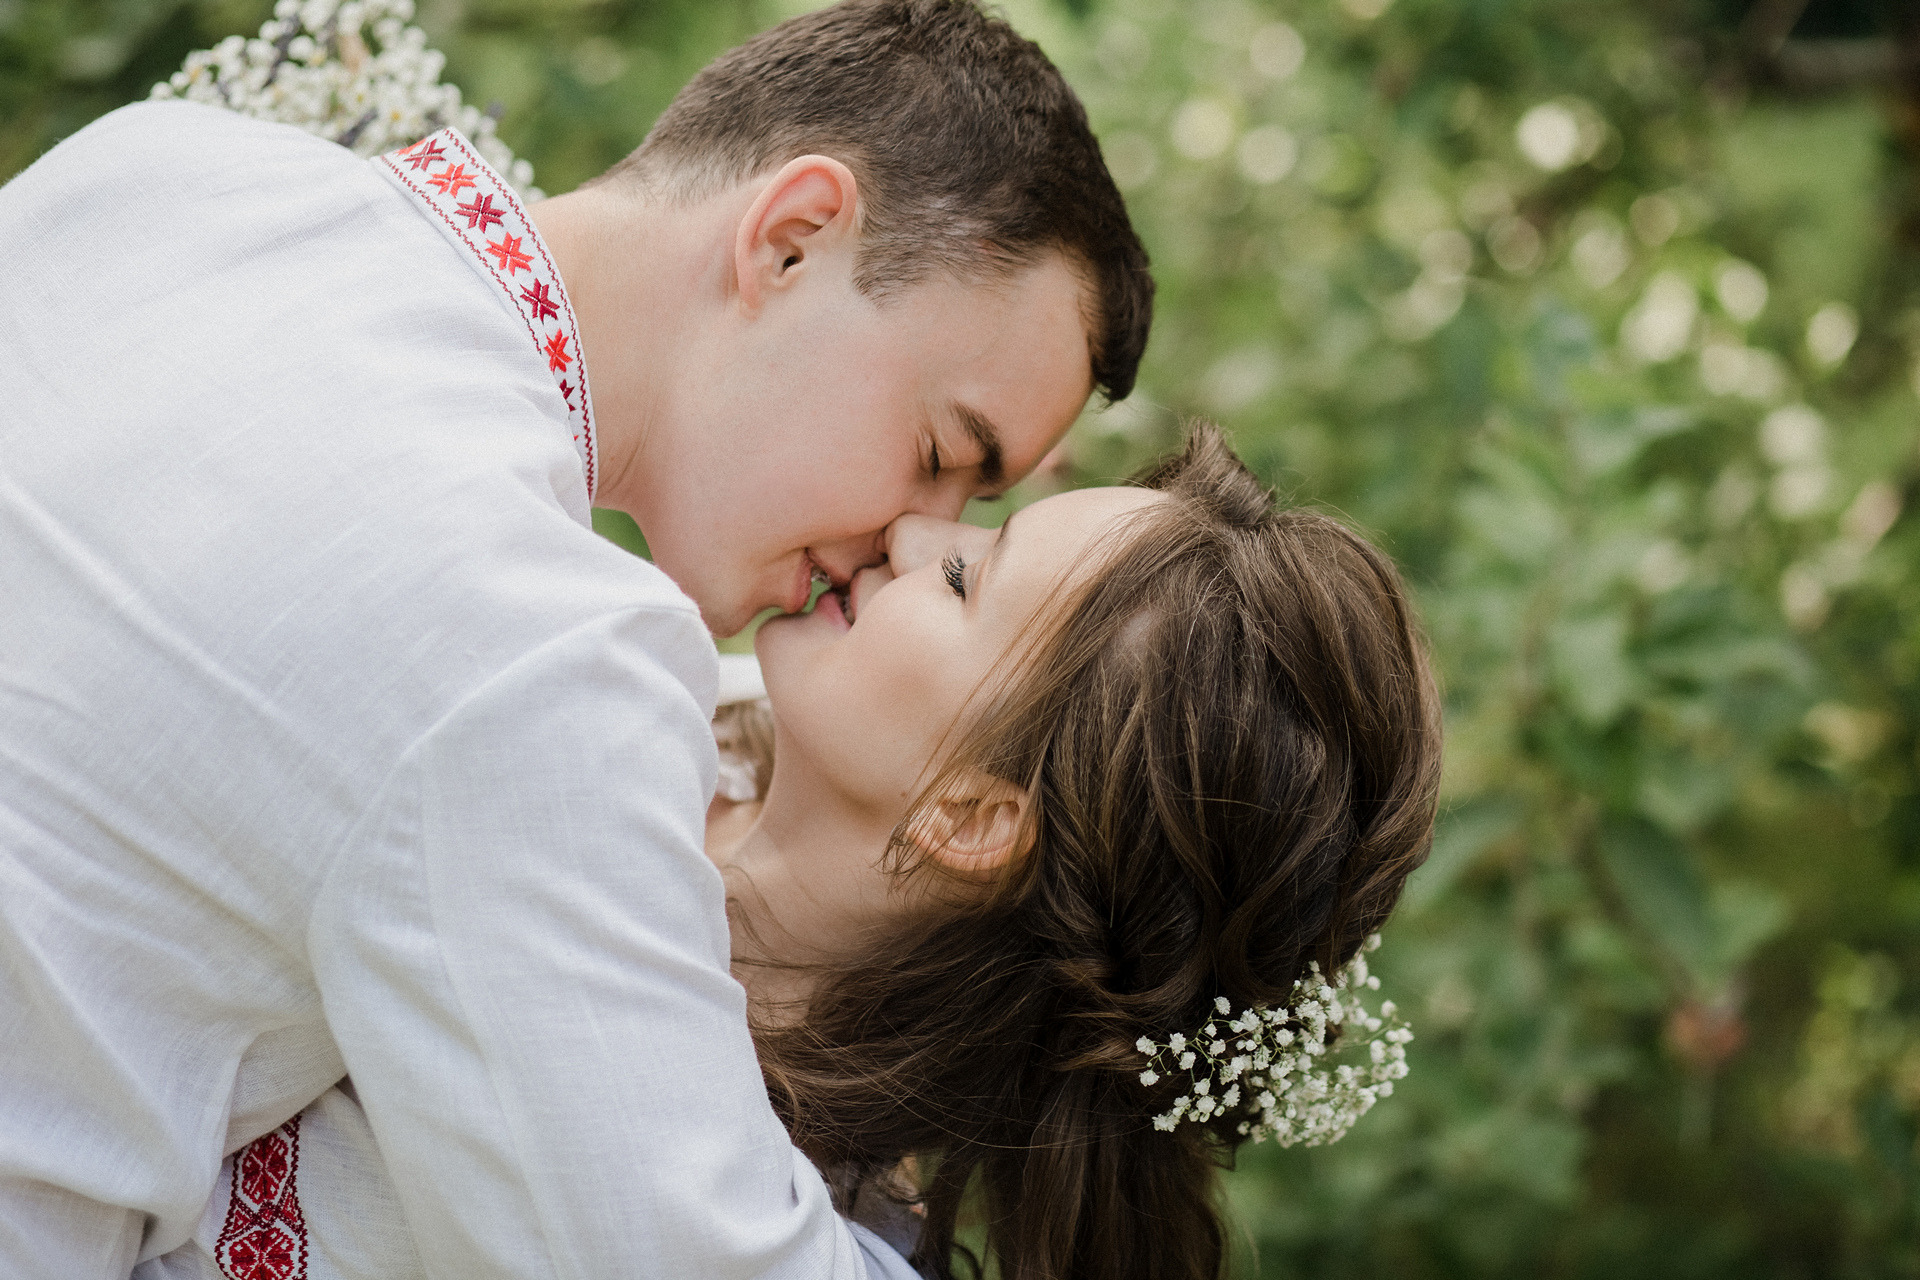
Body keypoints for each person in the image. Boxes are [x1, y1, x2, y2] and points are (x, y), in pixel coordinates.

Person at [0, 2, 1150, 1276]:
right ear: (794, 238)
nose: (904, 536)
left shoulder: (158, 170)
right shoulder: (536, 652)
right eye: (940, 452)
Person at [145, 427, 1443, 1280]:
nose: (910, 533)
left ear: (975, 817)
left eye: (963, 580)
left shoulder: (788, 1237)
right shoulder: (587, 686)